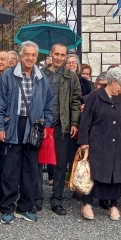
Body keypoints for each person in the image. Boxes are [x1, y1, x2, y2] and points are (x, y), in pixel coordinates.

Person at [0, 41, 54, 224]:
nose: (30, 58)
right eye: (27, 54)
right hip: (13, 124)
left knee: (30, 170)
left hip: (33, 126)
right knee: (10, 170)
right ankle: (7, 208)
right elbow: (0, 103)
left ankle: (25, 207)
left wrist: (46, 123)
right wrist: (0, 127)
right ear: (21, 56)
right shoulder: (9, 76)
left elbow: (48, 103)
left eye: (33, 55)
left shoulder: (41, 77)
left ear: (37, 57)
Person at [78, 68, 121, 221]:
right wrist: (84, 142)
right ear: (113, 82)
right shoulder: (95, 96)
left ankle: (113, 205)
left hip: (117, 143)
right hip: (97, 143)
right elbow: (86, 120)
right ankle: (86, 203)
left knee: (116, 174)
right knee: (92, 173)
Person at [41, 43, 82, 216]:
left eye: (62, 55)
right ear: (51, 54)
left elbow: (75, 101)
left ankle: (57, 199)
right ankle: (35, 198)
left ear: (66, 57)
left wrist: (74, 123)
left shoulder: (71, 77)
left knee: (59, 164)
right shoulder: (40, 74)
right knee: (37, 162)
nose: (59, 57)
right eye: (56, 54)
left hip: (61, 125)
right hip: (42, 123)